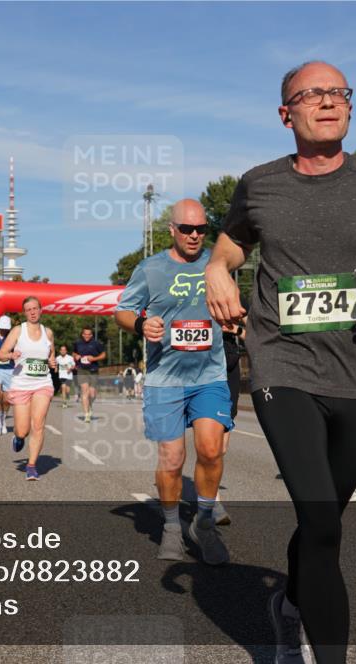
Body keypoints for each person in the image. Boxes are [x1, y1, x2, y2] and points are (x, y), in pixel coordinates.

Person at [204, 61, 356, 664]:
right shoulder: (259, 183)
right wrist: (215, 268)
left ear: (350, 108)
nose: (328, 102)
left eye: (338, 92)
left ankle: (289, 605)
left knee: (324, 523)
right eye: (312, 94)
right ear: (287, 114)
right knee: (320, 516)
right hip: (282, 363)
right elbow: (231, 243)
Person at [115, 199, 234, 566]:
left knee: (212, 450)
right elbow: (122, 310)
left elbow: (232, 298)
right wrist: (139, 324)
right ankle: (170, 528)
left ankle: (203, 523)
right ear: (172, 229)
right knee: (172, 458)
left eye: (201, 229)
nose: (195, 235)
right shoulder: (151, 269)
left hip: (209, 374)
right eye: (187, 229)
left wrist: (233, 319)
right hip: (164, 379)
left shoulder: (217, 263)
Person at [0, 297, 57, 480]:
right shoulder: (18, 330)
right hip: (21, 384)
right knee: (23, 430)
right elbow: (1, 353)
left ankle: (31, 466)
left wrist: (52, 361)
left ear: (41, 310)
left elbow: (51, 354)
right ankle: (18, 438)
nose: (32, 312)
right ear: (24, 313)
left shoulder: (48, 333)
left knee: (38, 424)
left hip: (42, 383)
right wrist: (10, 354)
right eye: (28, 309)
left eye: (35, 308)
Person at [213, 317, 246, 526]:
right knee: (211, 442)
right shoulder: (192, 296)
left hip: (230, 370)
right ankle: (213, 501)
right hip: (204, 368)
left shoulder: (236, 302)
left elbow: (256, 335)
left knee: (222, 447)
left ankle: (207, 486)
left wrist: (236, 329)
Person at [73, 327, 106, 423]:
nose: (87, 336)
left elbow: (103, 355)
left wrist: (94, 358)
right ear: (82, 334)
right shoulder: (78, 343)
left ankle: (90, 405)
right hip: (82, 370)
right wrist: (76, 356)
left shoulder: (96, 344)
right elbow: (74, 353)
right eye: (85, 334)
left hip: (93, 370)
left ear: (91, 335)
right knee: (84, 391)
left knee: (92, 394)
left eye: (89, 334)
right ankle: (86, 414)